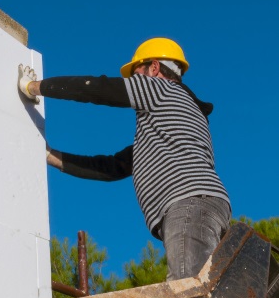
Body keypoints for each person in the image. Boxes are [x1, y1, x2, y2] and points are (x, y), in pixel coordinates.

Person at [18, 37, 231, 281]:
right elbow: (111, 168)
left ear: (154, 68)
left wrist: (33, 87)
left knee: (188, 292)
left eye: (136, 73)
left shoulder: (161, 90)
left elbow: (96, 89)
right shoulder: (170, 125)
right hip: (203, 206)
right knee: (205, 294)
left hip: (189, 204)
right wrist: (49, 155)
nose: (132, 81)